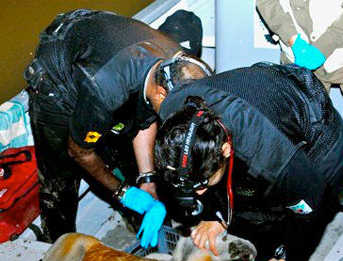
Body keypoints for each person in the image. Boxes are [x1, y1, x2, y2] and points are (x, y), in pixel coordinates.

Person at [154, 63, 343, 261]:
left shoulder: (269, 158)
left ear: (225, 150)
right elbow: (198, 171)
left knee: (286, 223)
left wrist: (284, 260)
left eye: (202, 185)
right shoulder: (174, 115)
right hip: (268, 97)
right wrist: (216, 215)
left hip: (321, 145)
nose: (198, 193)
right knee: (245, 203)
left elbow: (313, 206)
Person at [24, 9, 211, 246]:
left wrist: (148, 178)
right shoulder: (107, 89)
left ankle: (147, 234)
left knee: (127, 148)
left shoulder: (177, 65)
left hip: (106, 54)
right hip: (57, 79)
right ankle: (57, 249)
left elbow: (147, 119)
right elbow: (79, 151)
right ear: (160, 92)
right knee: (60, 179)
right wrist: (123, 192)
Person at [256, 0, 343, 119]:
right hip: (299, 60)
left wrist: (323, 46)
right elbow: (267, 2)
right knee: (304, 131)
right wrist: (293, 39)